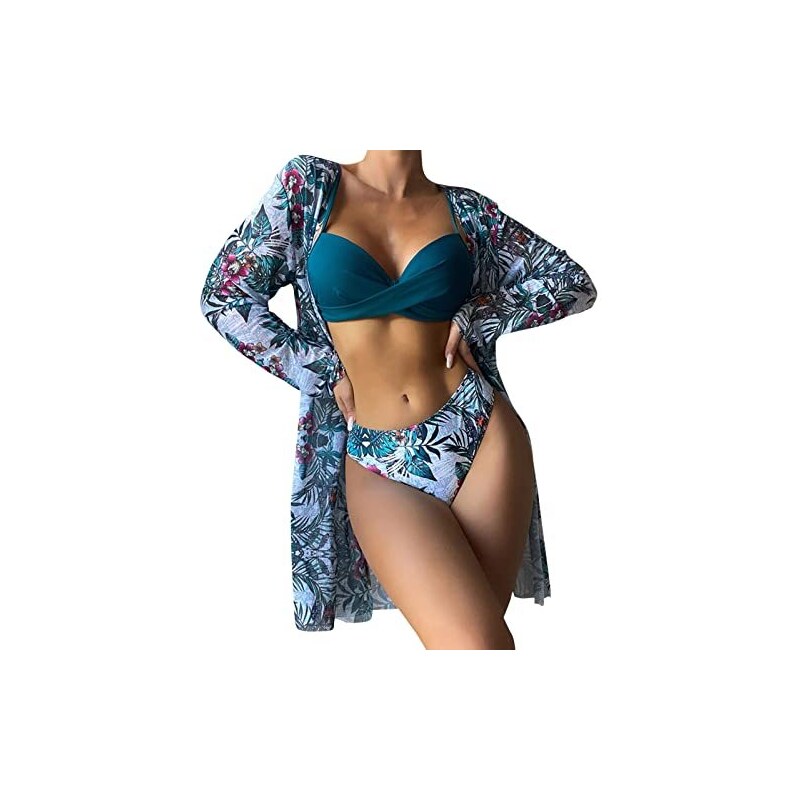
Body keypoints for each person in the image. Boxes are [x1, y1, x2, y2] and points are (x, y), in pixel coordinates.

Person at [200, 151, 598, 647]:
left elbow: (572, 282)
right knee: (476, 644)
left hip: (482, 435)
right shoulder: (309, 188)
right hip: (378, 458)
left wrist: (482, 313)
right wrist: (320, 368)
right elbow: (225, 296)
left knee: (479, 647)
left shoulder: (466, 211)